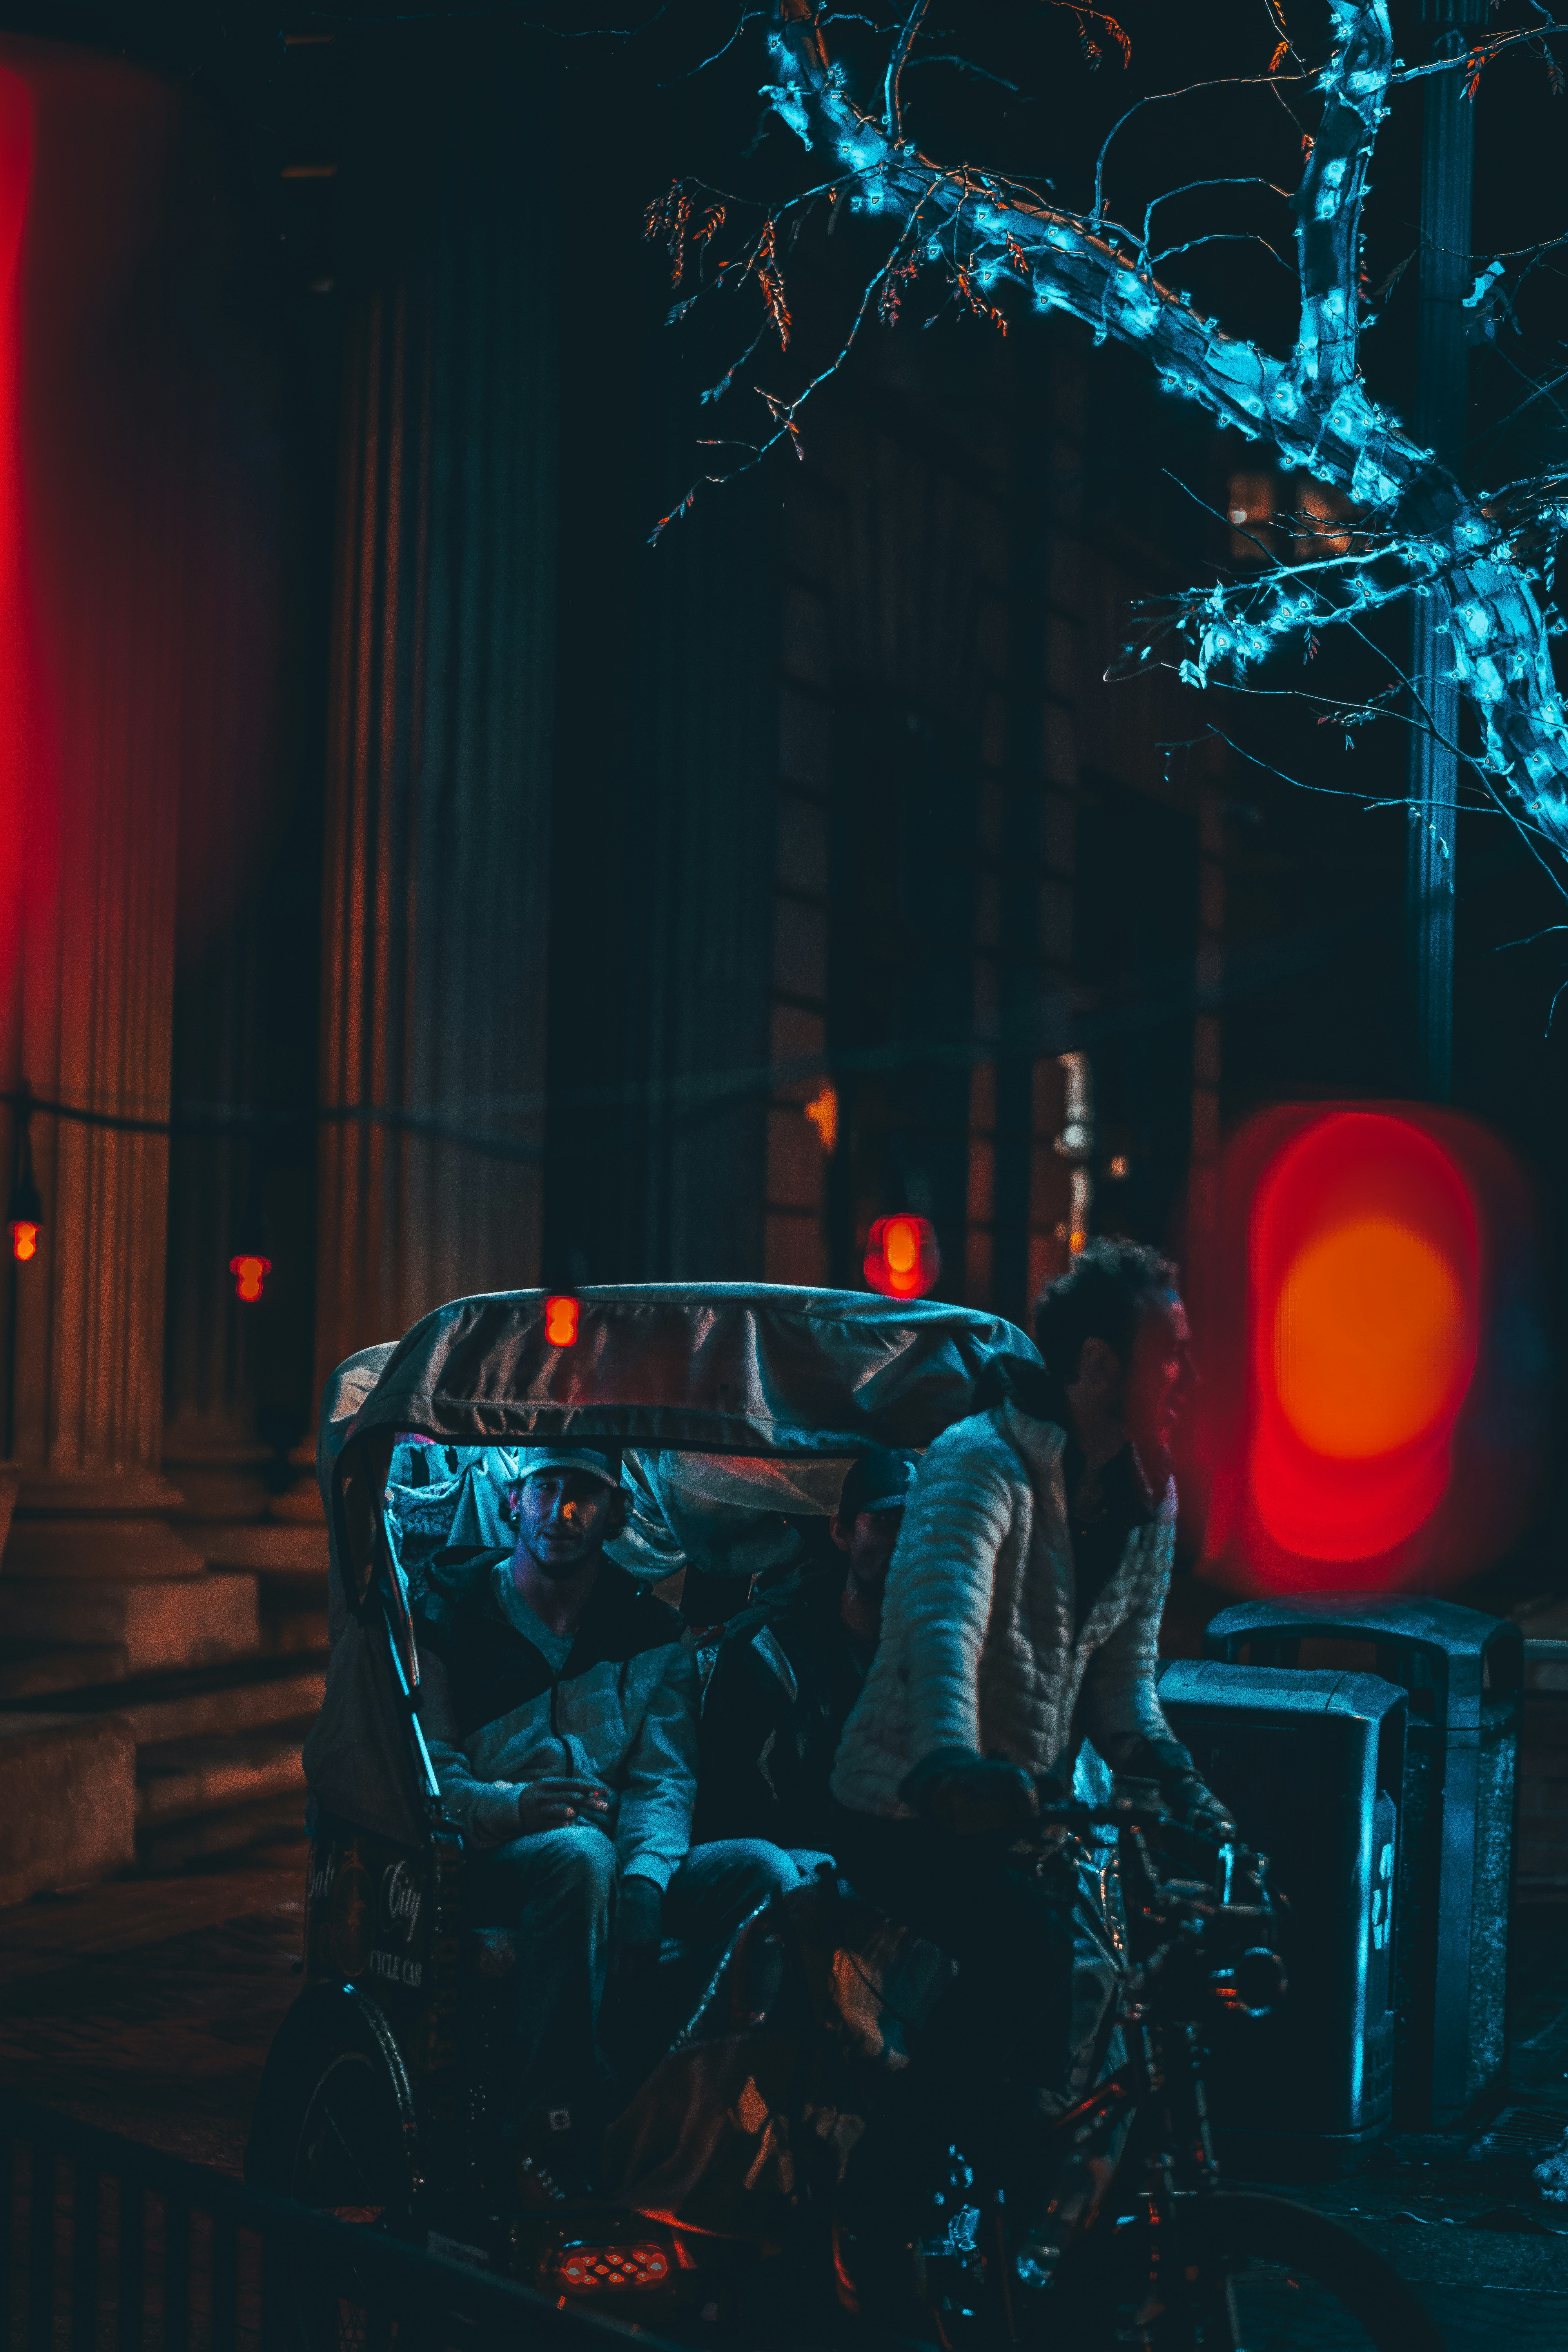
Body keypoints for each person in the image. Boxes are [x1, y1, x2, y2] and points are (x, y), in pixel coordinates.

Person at [828, 1240, 1234, 2164]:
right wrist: (946, 1766)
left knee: (1112, 1995)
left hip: (1022, 1815)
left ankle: (1013, 2211)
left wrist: (1201, 1811)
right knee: (1029, 1963)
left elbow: (1123, 1695)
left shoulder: (1146, 1497)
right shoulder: (979, 1461)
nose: (1186, 1372)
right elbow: (942, 1627)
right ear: (1098, 1365)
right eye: (1167, 1351)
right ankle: (886, 2195)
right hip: (902, 1801)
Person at [412, 1443, 798, 2182]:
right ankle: (550, 2124)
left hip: (622, 1854)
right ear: (511, 1502)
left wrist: (648, 1883)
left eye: (583, 1494)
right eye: (545, 1488)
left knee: (766, 1872)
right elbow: (435, 1778)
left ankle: (719, 2118)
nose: (560, 1511)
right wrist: (517, 1806)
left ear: (615, 1513)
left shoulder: (650, 1632)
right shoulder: (450, 1615)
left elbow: (664, 1778)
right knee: (576, 1855)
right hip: (498, 1855)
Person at [695, 1447, 916, 1864]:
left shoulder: (948, 1652)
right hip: (788, 1860)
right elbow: (732, 1797)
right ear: (842, 1532)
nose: (906, 1543)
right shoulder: (770, 1645)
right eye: (887, 1522)